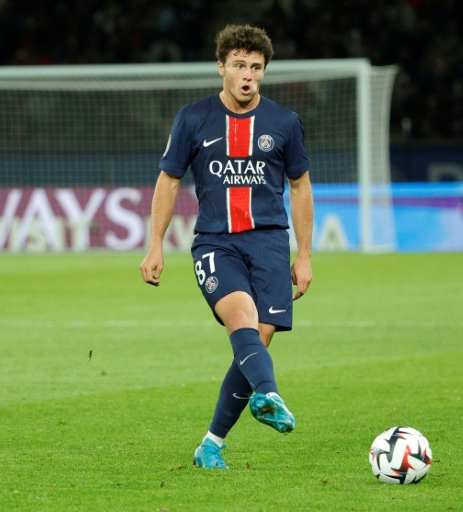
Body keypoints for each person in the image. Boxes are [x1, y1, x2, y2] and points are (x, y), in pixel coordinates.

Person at [139, 23, 313, 469]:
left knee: (255, 343)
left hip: (271, 243)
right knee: (241, 318)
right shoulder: (193, 118)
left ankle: (211, 445)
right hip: (216, 243)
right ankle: (270, 395)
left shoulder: (284, 123)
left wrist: (305, 254)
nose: (248, 75)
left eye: (256, 67)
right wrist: (154, 244)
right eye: (239, 65)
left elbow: (300, 187)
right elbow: (169, 179)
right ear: (221, 68)